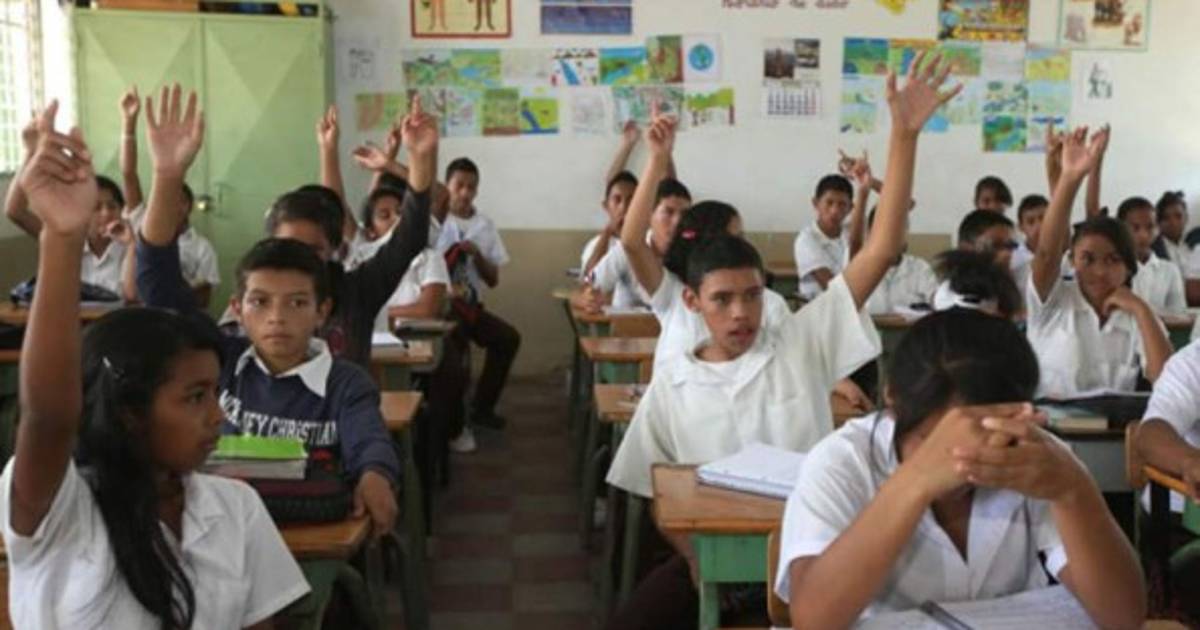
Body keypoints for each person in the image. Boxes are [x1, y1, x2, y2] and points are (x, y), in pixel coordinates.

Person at [606, 51, 961, 630]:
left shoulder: (800, 341)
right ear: (692, 303)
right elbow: (660, 494)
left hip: (811, 554)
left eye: (752, 295)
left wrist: (904, 137)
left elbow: (880, 250)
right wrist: (695, 559)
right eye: (722, 300)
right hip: (717, 556)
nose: (741, 313)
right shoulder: (673, 382)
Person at [2, 99, 309, 629]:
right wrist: (62, 239)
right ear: (129, 411)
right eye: (195, 397)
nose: (218, 415)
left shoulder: (235, 507)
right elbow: (49, 416)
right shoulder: (61, 506)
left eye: (213, 392)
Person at [136, 84, 403, 539]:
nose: (277, 317)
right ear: (238, 310)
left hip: (308, 529)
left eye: (297, 302)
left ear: (322, 312)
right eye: (260, 302)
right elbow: (156, 280)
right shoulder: (219, 360)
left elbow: (370, 441)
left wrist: (375, 474)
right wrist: (166, 175)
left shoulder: (345, 383)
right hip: (219, 532)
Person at [776, 310, 1146, 629]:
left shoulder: (1034, 458)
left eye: (986, 442)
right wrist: (915, 482)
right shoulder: (842, 461)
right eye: (933, 443)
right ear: (892, 398)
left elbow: (1122, 616)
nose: (960, 466)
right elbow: (813, 620)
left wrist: (1074, 491)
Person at [1026, 125, 1171, 399]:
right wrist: (1069, 178)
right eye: (1088, 259)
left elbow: (1167, 380)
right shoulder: (1053, 301)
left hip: (1114, 426)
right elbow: (1046, 254)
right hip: (1053, 423)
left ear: (1129, 266)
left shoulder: (1136, 313)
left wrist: (1141, 310)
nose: (1100, 271)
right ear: (1071, 260)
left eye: (1114, 260)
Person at [437, 156, 521, 432]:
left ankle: (482, 407)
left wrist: (477, 255)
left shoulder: (485, 225)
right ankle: (454, 423)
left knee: (508, 339)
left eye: (471, 187)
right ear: (447, 187)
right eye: (459, 185)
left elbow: (493, 280)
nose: (465, 193)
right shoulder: (436, 222)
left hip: (472, 307)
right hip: (441, 309)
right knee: (457, 353)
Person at [118, 86, 221, 308]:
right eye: (166, 198)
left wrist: (177, 286)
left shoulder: (201, 247)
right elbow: (128, 174)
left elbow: (204, 299)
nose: (171, 205)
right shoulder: (144, 224)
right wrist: (128, 124)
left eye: (179, 201)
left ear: (189, 207)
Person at [4, 109, 126, 296]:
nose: (106, 213)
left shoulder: (131, 247)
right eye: (96, 207)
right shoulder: (69, 240)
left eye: (112, 206)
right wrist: (31, 153)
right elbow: (15, 211)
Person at [574, 178, 692, 313]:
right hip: (627, 325)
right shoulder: (628, 248)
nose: (677, 222)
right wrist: (586, 299)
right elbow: (584, 290)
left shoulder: (692, 252)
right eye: (669, 212)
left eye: (684, 214)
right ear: (649, 215)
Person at [1118, 196, 1186, 314]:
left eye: (1150, 227)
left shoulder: (1169, 270)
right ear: (1120, 229)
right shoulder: (1114, 269)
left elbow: (1179, 314)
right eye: (1135, 228)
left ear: (1158, 229)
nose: (1143, 235)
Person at [793, 174, 854, 301]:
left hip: (850, 302)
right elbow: (831, 286)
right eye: (829, 203)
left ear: (850, 208)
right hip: (820, 307)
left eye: (842, 204)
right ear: (816, 203)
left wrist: (868, 184)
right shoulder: (806, 240)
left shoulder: (851, 234)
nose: (834, 211)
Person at [1012, 194, 1048, 271]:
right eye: (1031, 222)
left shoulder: (1066, 253)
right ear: (1021, 227)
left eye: (1043, 218)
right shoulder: (1014, 260)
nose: (1039, 226)